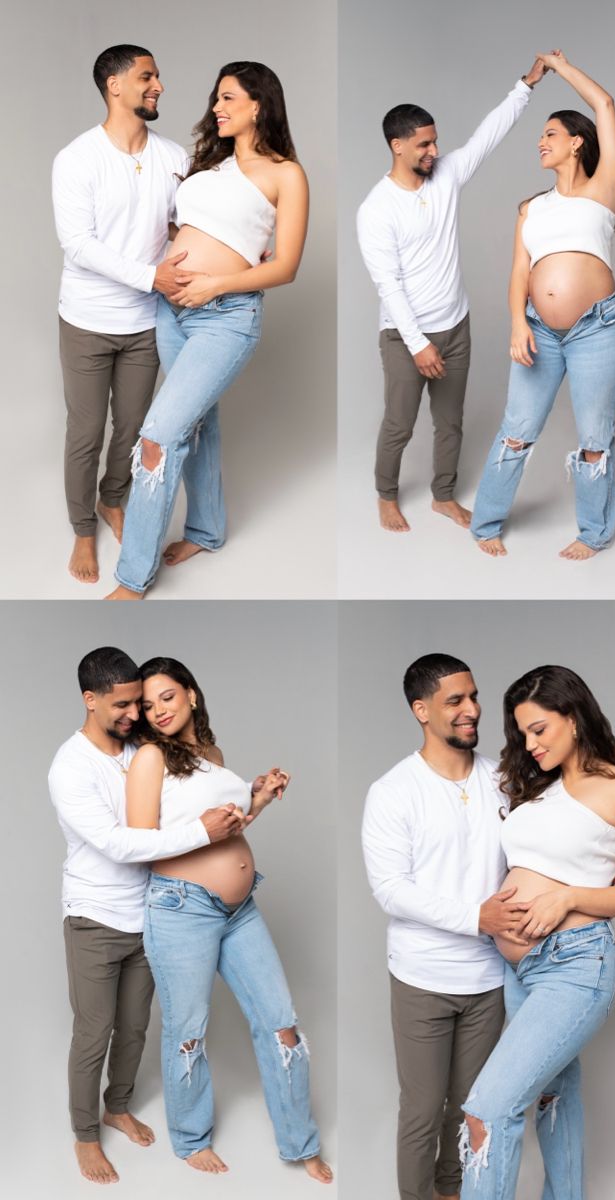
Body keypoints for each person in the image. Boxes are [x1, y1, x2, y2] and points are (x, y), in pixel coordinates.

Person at [458, 665, 615, 1199]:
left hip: (577, 964)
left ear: (574, 717)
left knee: (488, 1109)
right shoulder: (540, 790)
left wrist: (572, 895)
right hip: (521, 968)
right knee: (554, 1096)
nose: (530, 744)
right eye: (522, 734)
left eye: (539, 729)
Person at [106, 61, 309, 599]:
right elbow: (187, 228)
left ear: (258, 104)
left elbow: (285, 266)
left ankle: (132, 579)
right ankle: (207, 530)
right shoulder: (207, 165)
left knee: (159, 436)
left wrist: (215, 284)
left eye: (227, 98)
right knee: (198, 426)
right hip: (171, 310)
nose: (215, 108)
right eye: (216, 99)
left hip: (225, 318)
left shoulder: (285, 173)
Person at [125, 656, 332, 1182]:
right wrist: (204, 829)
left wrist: (257, 798)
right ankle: (191, 1139)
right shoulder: (150, 757)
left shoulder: (212, 754)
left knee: (281, 1023)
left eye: (167, 697)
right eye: (148, 705)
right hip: (180, 909)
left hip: (240, 911)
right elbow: (139, 842)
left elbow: (228, 829)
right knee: (188, 1029)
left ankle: (298, 1140)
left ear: (192, 695)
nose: (158, 711)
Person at [48, 646, 249, 1185]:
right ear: (90, 701)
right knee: (95, 1032)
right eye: (121, 705)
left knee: (135, 1029)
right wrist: (204, 832)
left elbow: (194, 774)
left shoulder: (140, 745)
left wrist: (249, 796)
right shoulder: (70, 768)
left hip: (152, 915)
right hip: (94, 916)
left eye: (137, 703)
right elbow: (120, 843)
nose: (134, 715)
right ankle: (86, 1135)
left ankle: (117, 1107)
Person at [362, 654, 534, 1200]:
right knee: (420, 1112)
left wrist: (594, 874)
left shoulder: (502, 779)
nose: (472, 710)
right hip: (423, 979)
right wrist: (475, 918)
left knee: (469, 1108)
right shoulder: (393, 791)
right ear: (421, 710)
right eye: (455, 700)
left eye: (474, 697)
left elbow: (538, 849)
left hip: (488, 979)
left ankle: (452, 1191)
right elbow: (390, 888)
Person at [356, 58, 546, 534]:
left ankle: (443, 496)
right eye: (423, 143)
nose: (434, 150)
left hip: (455, 325)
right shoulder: (376, 210)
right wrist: (418, 344)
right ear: (397, 146)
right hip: (405, 337)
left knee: (451, 423)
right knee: (399, 425)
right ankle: (386, 495)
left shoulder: (446, 174)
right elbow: (389, 286)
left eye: (435, 140)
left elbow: (487, 135)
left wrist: (525, 86)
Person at [470, 51, 615, 560]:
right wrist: (518, 324)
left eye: (550, 134)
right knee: (516, 431)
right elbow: (520, 272)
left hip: (597, 331)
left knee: (593, 437)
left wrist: (559, 68)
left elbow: (604, 103)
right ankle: (486, 523)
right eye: (540, 136)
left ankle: (594, 533)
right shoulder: (530, 209)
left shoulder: (602, 191)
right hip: (539, 330)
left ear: (577, 142)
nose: (540, 142)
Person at [52, 45, 189, 585]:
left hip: (145, 323)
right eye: (147, 76)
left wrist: (243, 252)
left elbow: (189, 225)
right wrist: (151, 276)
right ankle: (83, 527)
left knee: (132, 428)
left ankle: (114, 501)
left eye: (157, 76)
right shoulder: (77, 158)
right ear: (114, 85)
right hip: (86, 319)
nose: (158, 86)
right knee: (86, 431)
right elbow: (78, 244)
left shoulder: (174, 157)